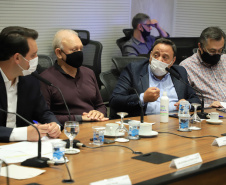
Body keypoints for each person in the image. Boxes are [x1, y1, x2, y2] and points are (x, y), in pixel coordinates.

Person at [110, 38, 200, 117]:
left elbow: (196, 100)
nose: (159, 60)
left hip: (176, 122)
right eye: (156, 55)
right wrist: (143, 98)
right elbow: (115, 100)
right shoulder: (134, 70)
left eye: (165, 57)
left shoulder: (179, 72)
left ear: (173, 61)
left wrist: (187, 104)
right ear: (150, 55)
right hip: (146, 122)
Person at [0, 26, 61, 142]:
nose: (37, 59)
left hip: (24, 149)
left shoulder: (30, 79)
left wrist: (54, 125)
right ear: (17, 58)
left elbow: (43, 112)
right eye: (33, 55)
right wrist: (23, 133)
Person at [40, 29, 108, 125]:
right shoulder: (45, 79)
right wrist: (80, 118)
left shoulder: (89, 73)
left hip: (94, 127)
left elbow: (101, 105)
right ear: (59, 53)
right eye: (74, 50)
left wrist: (99, 113)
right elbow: (44, 117)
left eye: (81, 49)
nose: (79, 53)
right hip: (66, 130)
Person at [180, 27, 226, 108]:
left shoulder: (224, 59)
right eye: (212, 51)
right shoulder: (187, 66)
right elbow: (184, 101)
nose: (217, 54)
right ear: (200, 46)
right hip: (210, 113)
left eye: (220, 50)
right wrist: (207, 106)